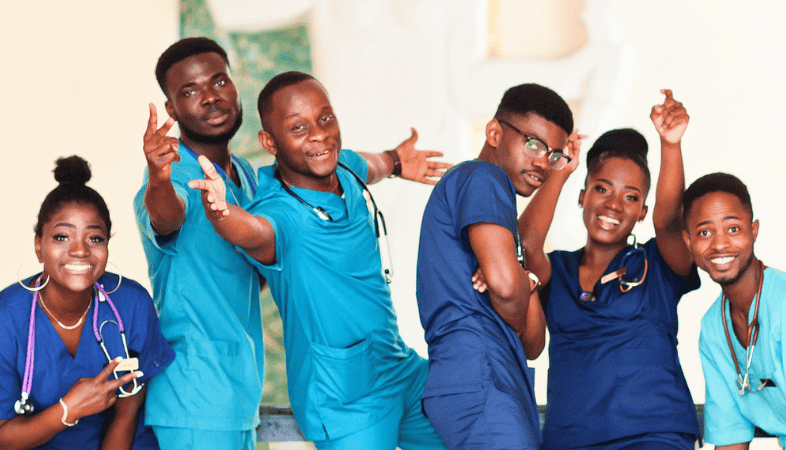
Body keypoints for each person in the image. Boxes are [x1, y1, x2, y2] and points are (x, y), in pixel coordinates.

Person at [188, 70, 450, 450]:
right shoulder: (279, 212)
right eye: (298, 128)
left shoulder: (344, 166)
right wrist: (221, 213)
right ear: (269, 141)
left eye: (324, 119)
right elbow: (254, 231)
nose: (318, 135)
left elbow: (370, 164)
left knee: (469, 424)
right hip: (344, 399)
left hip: (400, 369)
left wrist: (396, 161)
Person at [519, 90, 701, 449]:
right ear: (583, 195)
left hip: (654, 436)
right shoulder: (557, 270)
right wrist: (562, 169)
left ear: (642, 212)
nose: (614, 205)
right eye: (601, 188)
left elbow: (668, 223)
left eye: (631, 197)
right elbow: (525, 245)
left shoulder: (657, 264)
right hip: (570, 440)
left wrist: (671, 145)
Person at [416, 83, 578, 449]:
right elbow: (506, 290)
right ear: (494, 132)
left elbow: (534, 342)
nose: (542, 163)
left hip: (496, 379)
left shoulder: (498, 209)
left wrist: (524, 279)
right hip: (479, 377)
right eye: (533, 144)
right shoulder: (483, 178)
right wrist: (514, 283)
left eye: (554, 155)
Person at [134, 37, 265, 450]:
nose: (210, 97)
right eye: (189, 91)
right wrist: (157, 176)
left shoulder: (246, 176)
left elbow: (248, 272)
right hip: (195, 397)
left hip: (239, 397)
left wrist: (391, 161)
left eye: (219, 81)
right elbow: (167, 214)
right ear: (171, 110)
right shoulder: (173, 175)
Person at [0, 156, 175, 450]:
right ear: (38, 245)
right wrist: (69, 409)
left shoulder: (129, 305)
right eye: (61, 237)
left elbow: (125, 417)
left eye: (94, 238)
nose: (80, 251)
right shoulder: (7, 317)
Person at [682, 173, 786, 448]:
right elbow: (730, 434)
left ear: (753, 230)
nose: (720, 244)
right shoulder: (713, 328)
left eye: (733, 229)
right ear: (688, 241)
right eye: (705, 232)